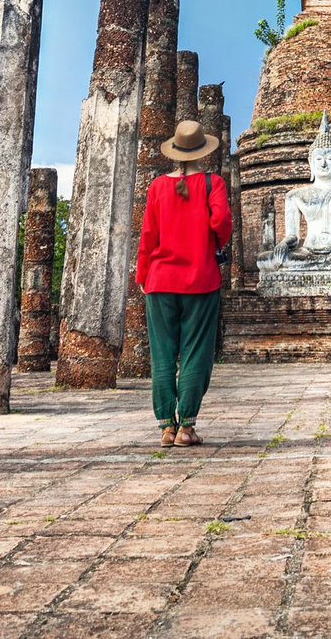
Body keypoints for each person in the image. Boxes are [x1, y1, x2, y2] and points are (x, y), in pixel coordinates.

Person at [135, 118, 233, 446]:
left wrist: (142, 274)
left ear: (175, 151)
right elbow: (221, 221)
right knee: (195, 352)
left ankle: (166, 426)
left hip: (160, 279)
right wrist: (214, 240)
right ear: (201, 152)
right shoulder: (212, 183)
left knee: (162, 353)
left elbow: (148, 235)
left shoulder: (157, 186)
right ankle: (186, 428)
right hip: (200, 279)